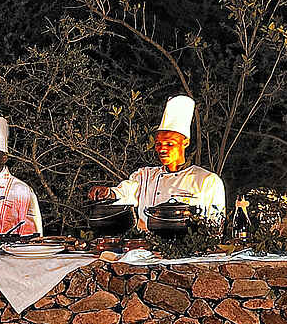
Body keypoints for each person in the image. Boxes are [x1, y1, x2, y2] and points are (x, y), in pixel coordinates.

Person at [91, 94, 226, 229]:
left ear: (185, 143)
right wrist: (108, 193)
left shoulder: (207, 181)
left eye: (169, 144)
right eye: (158, 144)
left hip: (189, 248)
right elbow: (125, 192)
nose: (162, 149)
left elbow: (216, 223)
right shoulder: (145, 176)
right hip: (145, 247)